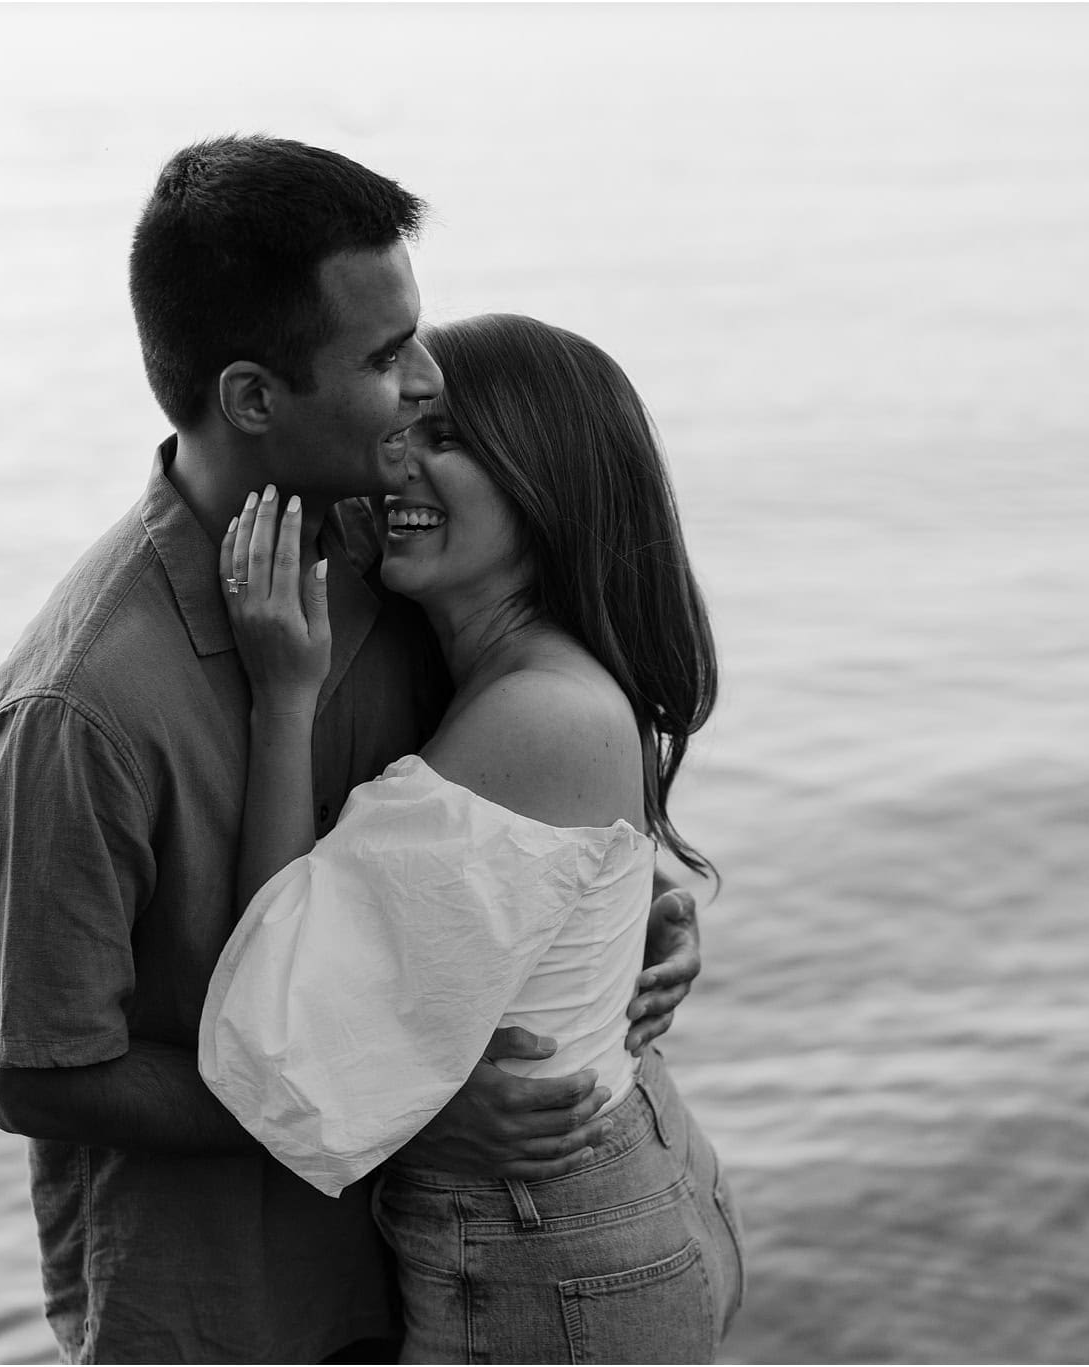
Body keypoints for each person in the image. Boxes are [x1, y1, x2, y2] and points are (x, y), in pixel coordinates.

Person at [0, 136, 704, 1364]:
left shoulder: (397, 562)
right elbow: (35, 1076)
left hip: (441, 1274)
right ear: (254, 397)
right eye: (382, 355)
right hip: (230, 1315)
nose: (421, 380)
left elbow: (477, 844)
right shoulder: (77, 711)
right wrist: (398, 1112)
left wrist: (626, 907)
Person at [198, 313, 745, 1363]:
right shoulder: (535, 674)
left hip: (553, 1257)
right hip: (612, 1205)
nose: (395, 456)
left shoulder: (534, 713)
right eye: (407, 422)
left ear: (542, 482)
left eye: (444, 437)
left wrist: (282, 697)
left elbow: (279, 1006)